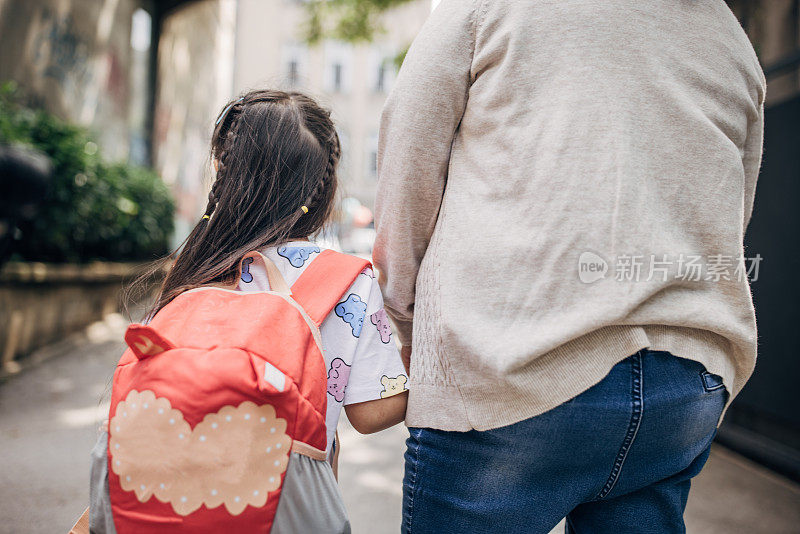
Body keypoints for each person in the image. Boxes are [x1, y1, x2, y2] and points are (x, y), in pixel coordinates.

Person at [373, 1, 765, 533]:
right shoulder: (729, 36)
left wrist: (406, 323)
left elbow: (409, 160)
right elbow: (728, 222)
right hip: (684, 381)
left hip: (513, 361)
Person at [86, 90, 408, 533]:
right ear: (322, 189)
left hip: (167, 508)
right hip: (279, 512)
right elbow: (372, 414)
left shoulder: (197, 267)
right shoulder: (347, 281)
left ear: (225, 176)